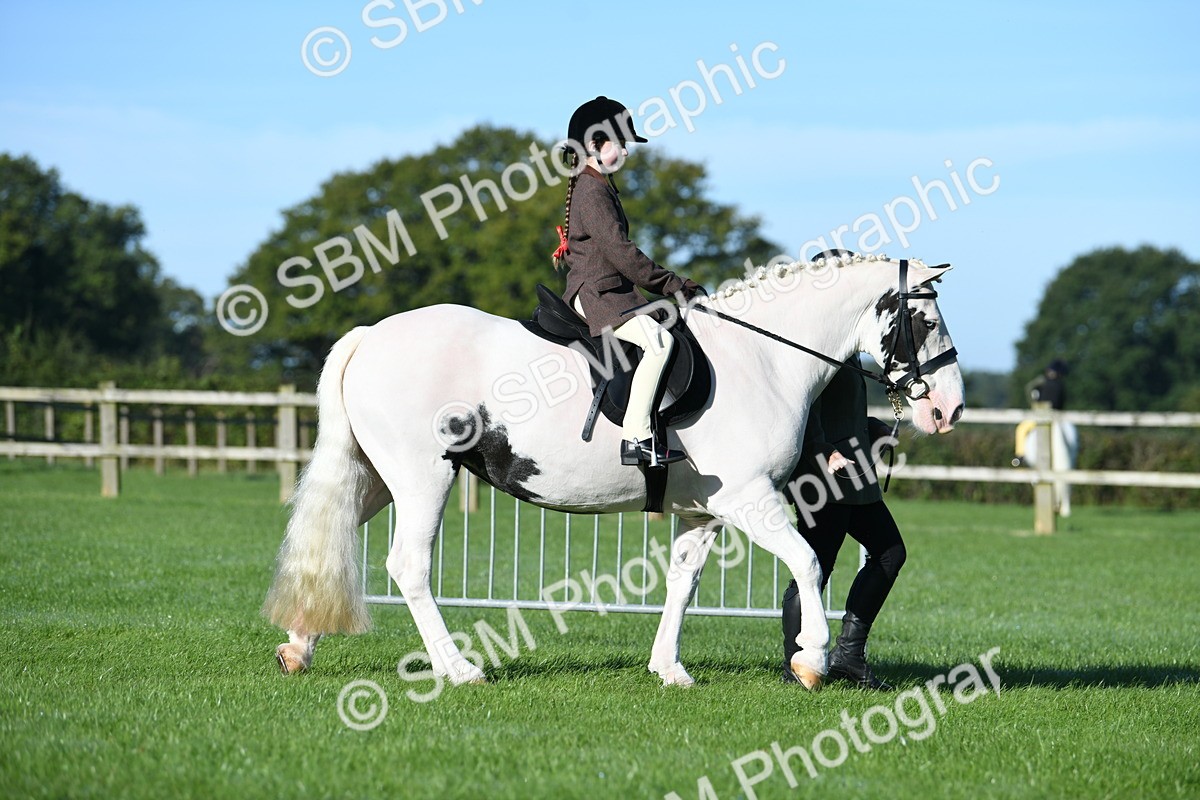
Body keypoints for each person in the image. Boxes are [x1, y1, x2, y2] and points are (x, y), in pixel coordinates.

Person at [553, 96, 706, 467]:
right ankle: (636, 437)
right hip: (596, 293)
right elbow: (622, 253)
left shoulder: (597, 185)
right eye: (618, 143)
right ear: (593, 145)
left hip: (609, 289)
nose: (624, 150)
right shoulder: (592, 191)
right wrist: (671, 284)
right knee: (659, 342)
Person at [782, 358, 906, 690]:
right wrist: (822, 451)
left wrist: (870, 426)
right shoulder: (818, 343)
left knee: (890, 553)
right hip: (823, 475)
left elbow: (840, 409)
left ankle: (848, 657)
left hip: (854, 472)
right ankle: (796, 662)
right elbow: (802, 406)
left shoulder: (848, 349)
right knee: (814, 569)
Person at [1013, 359, 1067, 466]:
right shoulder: (1060, 386)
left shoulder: (1043, 384)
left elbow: (1030, 392)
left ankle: (1020, 456)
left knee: (1021, 429)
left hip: (1042, 415)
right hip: (1057, 416)